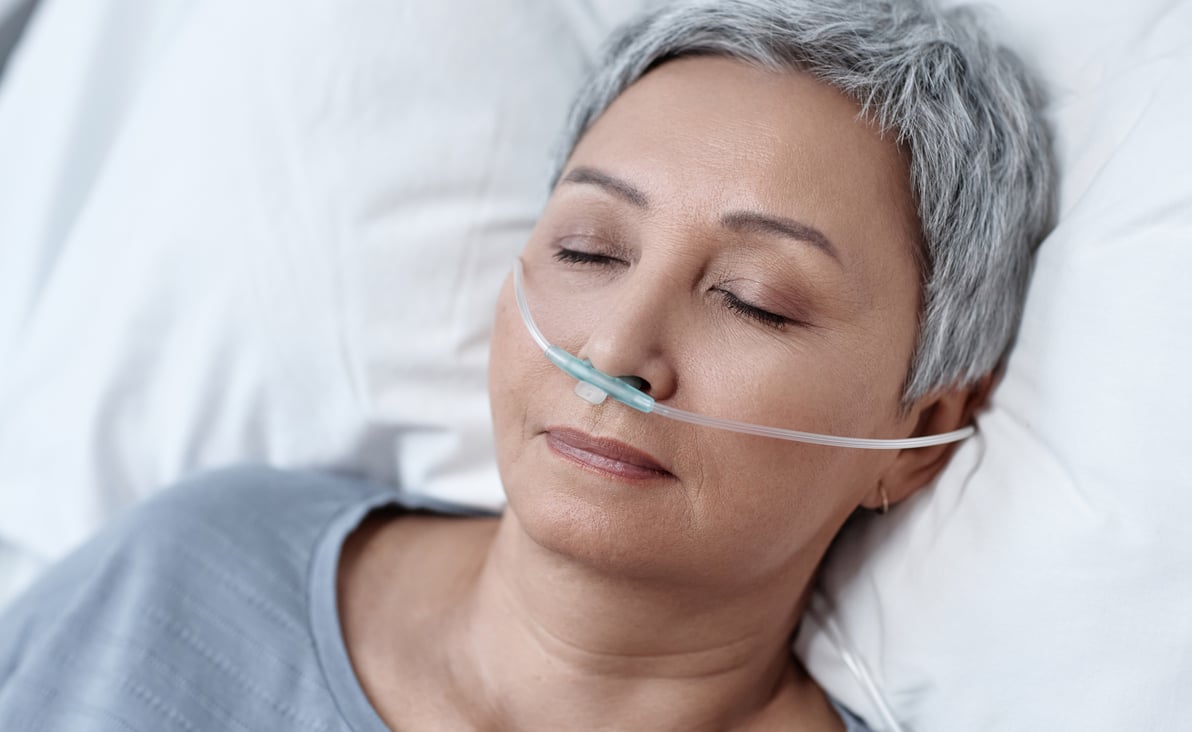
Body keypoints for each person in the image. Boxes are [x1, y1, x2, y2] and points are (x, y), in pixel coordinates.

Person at [0, 0, 1053, 729]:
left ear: (914, 438)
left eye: (752, 300)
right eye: (588, 251)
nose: (614, 352)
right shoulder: (190, 567)